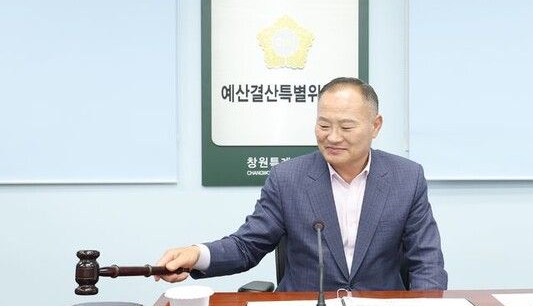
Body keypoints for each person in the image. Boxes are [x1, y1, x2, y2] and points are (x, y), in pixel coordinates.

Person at [156, 77, 448, 291]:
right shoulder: (287, 179)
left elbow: (427, 260)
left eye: (346, 127)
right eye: (324, 125)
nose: (332, 137)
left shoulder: (406, 177)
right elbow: (247, 246)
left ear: (375, 126)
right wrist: (197, 255)